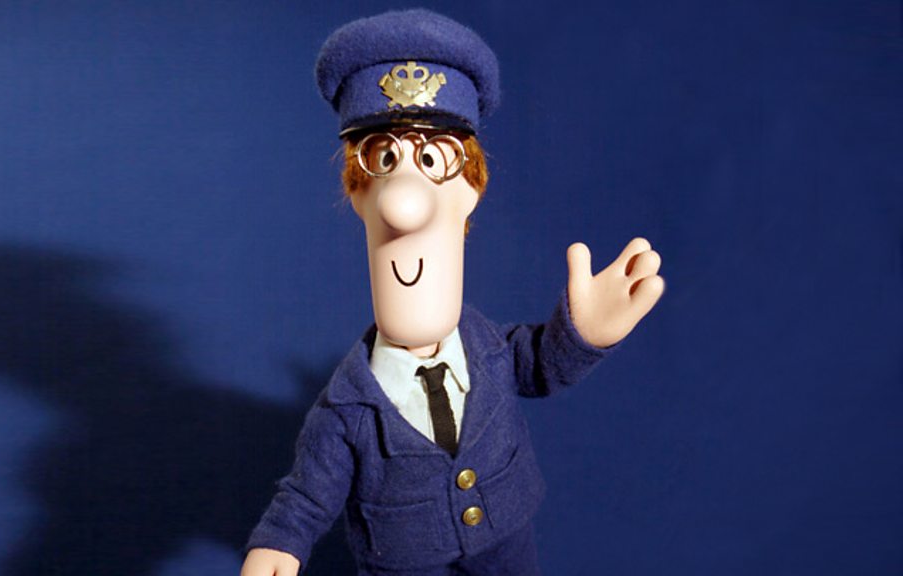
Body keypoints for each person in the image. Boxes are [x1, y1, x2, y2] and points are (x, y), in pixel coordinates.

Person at [241, 9, 664, 575]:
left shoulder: (491, 350)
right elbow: (308, 490)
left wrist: (582, 335)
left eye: (432, 158)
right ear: (359, 195)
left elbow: (541, 365)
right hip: (406, 561)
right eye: (385, 158)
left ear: (471, 190)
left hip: (507, 540)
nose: (404, 201)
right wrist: (280, 543)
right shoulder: (347, 407)